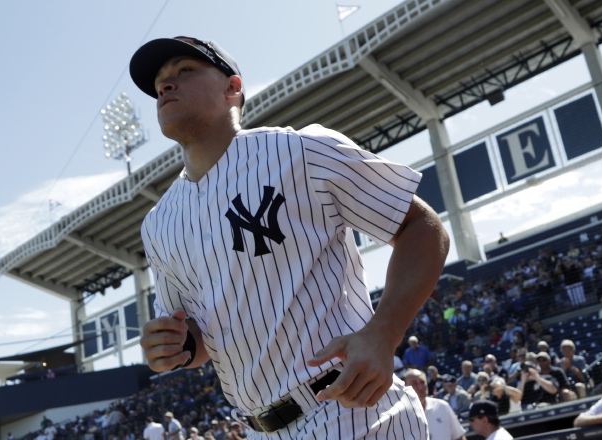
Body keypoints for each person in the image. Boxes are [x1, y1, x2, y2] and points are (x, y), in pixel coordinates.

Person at [133, 36, 449, 439]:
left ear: (232, 87)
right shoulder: (159, 224)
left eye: (184, 70)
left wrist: (384, 332)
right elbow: (197, 335)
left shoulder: (299, 151)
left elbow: (423, 227)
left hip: (353, 408)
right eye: (159, 81)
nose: (165, 84)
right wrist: (173, 348)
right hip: (261, 429)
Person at [403, 369, 467, 440]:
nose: (420, 387)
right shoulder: (398, 416)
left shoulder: (442, 407)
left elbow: (459, 436)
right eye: (414, 383)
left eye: (422, 382)